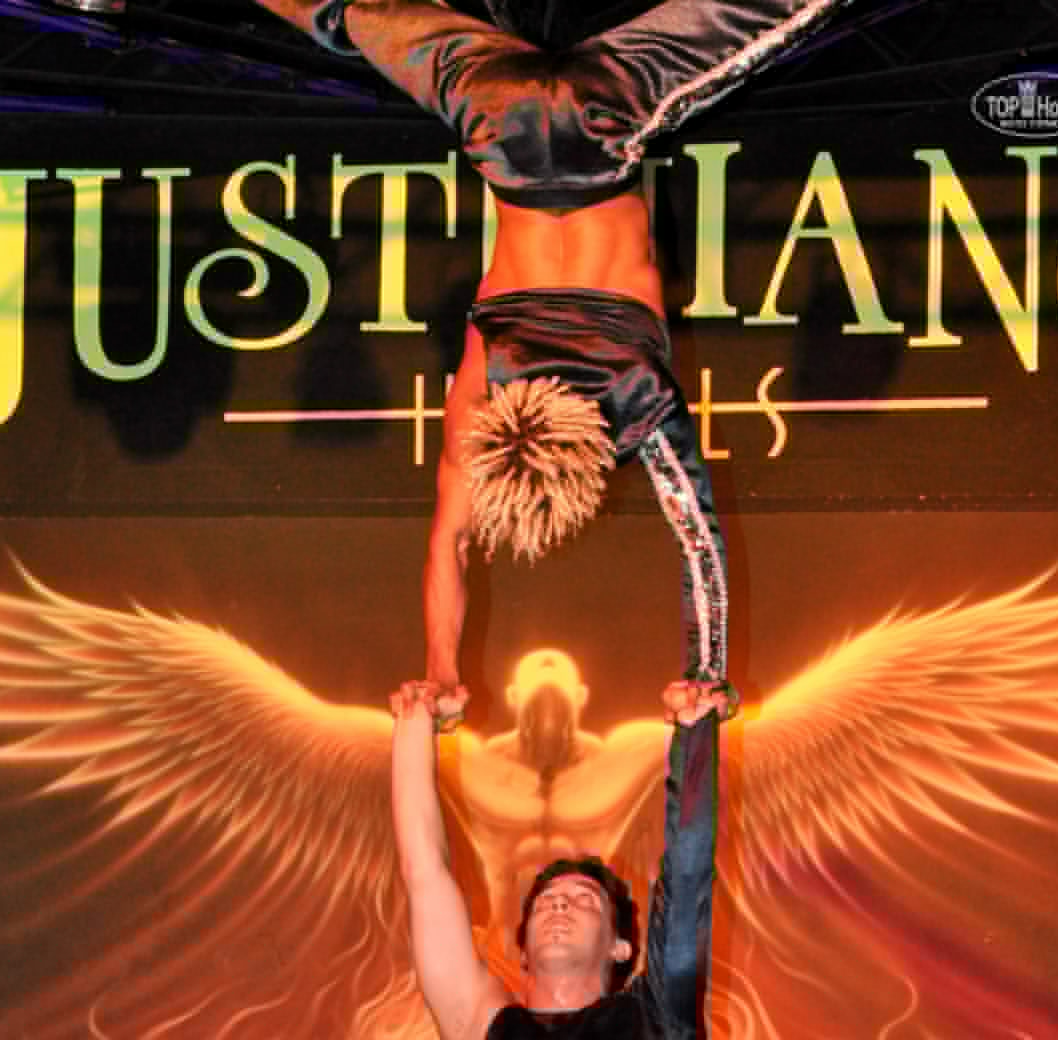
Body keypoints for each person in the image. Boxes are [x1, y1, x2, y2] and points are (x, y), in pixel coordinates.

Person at [256, 0, 856, 721]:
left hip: (603, 122)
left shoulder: (637, 399)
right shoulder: (489, 387)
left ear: (593, 452)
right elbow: (450, 544)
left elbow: (699, 543)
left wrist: (708, 674)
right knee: (349, 16)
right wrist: (439, 672)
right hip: (496, 120)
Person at [388, 676, 730, 1039]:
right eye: (545, 902)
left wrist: (694, 731)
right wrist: (417, 719)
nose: (560, 905)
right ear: (522, 951)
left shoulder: (654, 1016)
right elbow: (423, 872)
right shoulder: (479, 1024)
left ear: (619, 948)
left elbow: (686, 879)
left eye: (585, 900)